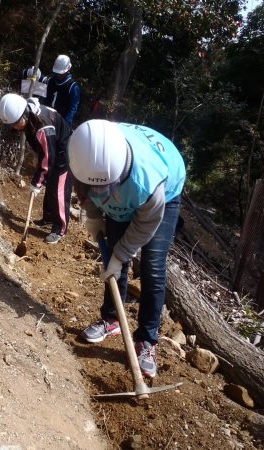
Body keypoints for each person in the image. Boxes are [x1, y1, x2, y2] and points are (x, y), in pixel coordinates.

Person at [67, 120, 186, 378]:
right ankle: (112, 320)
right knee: (112, 251)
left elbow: (143, 227)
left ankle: (147, 341)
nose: (104, 194)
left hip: (167, 187)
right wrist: (94, 217)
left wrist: (121, 257)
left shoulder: (147, 182)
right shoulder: (84, 155)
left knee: (152, 266)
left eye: (107, 188)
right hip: (124, 184)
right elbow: (88, 195)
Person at [0, 93, 73, 244]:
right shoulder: (31, 116)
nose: (15, 127)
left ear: (25, 113)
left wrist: (37, 183)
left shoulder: (43, 127)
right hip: (55, 148)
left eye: (16, 123)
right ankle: (49, 218)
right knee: (50, 184)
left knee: (57, 190)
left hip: (66, 152)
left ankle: (60, 229)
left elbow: (47, 159)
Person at [43, 55, 80, 126]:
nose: (58, 75)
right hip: (48, 119)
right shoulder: (51, 81)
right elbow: (46, 99)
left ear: (68, 70)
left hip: (63, 121)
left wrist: (65, 123)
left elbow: (73, 108)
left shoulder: (73, 86)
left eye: (60, 73)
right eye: (57, 72)